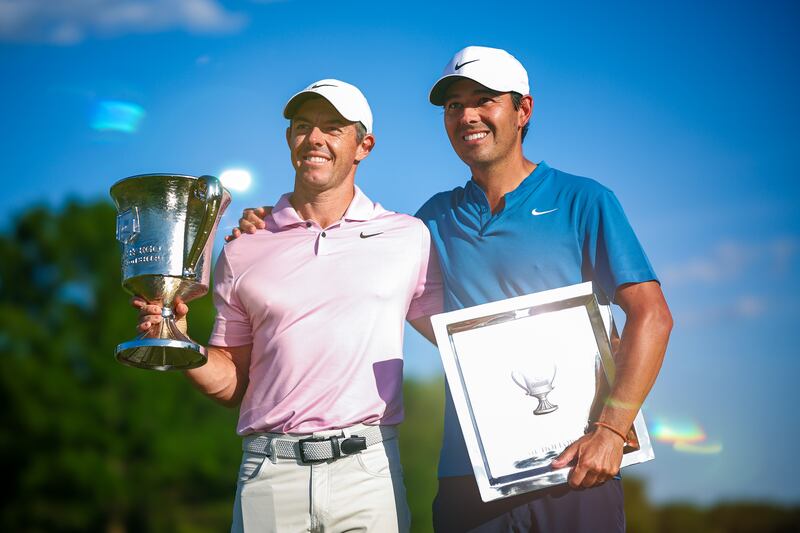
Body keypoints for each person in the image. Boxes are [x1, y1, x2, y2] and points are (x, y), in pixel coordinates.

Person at [233, 47, 673, 532]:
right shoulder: (427, 223)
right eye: (453, 106)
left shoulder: (583, 200)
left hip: (577, 467)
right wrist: (269, 224)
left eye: (484, 100)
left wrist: (612, 427)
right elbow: (346, 256)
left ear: (523, 110)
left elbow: (652, 316)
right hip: (472, 473)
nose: (467, 116)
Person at [133, 79, 442, 533]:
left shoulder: (407, 237)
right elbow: (235, 384)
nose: (314, 138)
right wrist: (178, 343)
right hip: (268, 476)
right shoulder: (243, 248)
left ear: (363, 146)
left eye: (333, 128)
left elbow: (457, 336)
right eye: (303, 126)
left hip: (368, 472)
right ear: (289, 139)